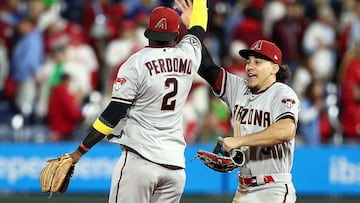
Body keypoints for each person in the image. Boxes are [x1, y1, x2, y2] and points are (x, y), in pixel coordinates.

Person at [65, 0, 208, 202]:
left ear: (148, 33)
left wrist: (80, 151)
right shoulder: (189, 55)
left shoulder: (135, 63)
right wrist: (200, 4)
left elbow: (113, 113)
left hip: (140, 161)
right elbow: (199, 28)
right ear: (177, 35)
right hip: (175, 167)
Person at [199, 38, 299, 202]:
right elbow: (207, 68)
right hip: (243, 189)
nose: (250, 67)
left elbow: (286, 130)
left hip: (273, 189)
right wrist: (194, 30)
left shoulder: (282, 93)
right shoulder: (238, 88)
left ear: (274, 68)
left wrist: (239, 141)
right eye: (248, 62)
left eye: (257, 62)